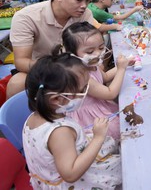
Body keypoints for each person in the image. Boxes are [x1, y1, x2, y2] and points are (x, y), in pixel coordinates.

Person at [23, 53, 121, 189]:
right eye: (81, 90)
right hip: (74, 184)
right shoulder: (60, 132)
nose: (85, 93)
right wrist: (98, 138)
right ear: (56, 99)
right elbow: (70, 174)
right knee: (126, 165)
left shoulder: (34, 118)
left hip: (51, 174)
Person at [7, 0, 95, 98]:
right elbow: (21, 61)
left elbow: (89, 48)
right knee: (17, 82)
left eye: (87, 1)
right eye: (79, 0)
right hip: (41, 69)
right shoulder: (26, 17)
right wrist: (57, 69)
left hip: (75, 66)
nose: (84, 6)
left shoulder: (85, 15)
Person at [56, 22, 133, 141]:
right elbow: (110, 93)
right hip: (89, 117)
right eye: (90, 52)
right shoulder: (80, 76)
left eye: (101, 48)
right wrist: (121, 69)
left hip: (100, 105)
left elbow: (105, 77)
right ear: (72, 54)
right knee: (119, 128)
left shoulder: (92, 64)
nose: (98, 53)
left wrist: (123, 64)